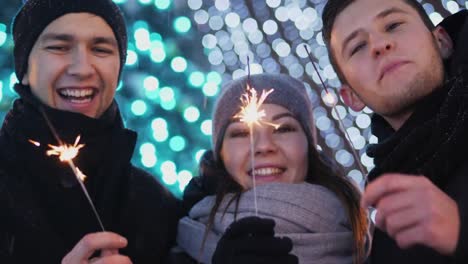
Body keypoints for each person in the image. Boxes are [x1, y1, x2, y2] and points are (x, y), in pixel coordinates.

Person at [0, 0, 182, 263]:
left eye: (100, 49)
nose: (82, 69)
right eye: (59, 47)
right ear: (25, 68)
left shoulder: (155, 205)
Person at [322, 0, 468, 263]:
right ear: (351, 97)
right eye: (357, 47)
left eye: (393, 25)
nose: (379, 45)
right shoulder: (384, 224)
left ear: (442, 42)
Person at [169, 73, 368, 263]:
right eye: (240, 133)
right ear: (220, 153)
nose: (264, 146)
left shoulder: (375, 236)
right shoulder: (174, 244)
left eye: (283, 129)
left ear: (308, 145)